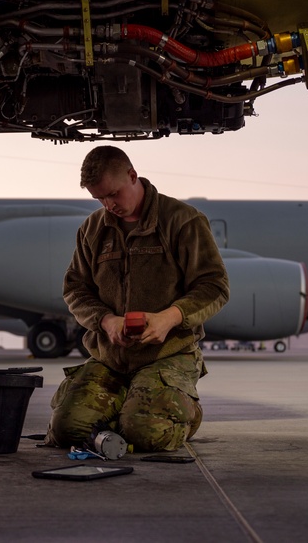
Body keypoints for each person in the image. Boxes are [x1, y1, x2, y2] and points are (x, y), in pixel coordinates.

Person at [45, 146, 229, 453]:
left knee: (147, 435)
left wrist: (170, 317)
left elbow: (214, 286)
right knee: (67, 430)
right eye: (99, 198)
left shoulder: (182, 221)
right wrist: (106, 321)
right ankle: (133, 407)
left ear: (133, 176)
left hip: (168, 354)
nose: (108, 204)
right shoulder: (92, 229)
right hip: (111, 358)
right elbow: (75, 289)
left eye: (114, 194)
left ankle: (184, 411)